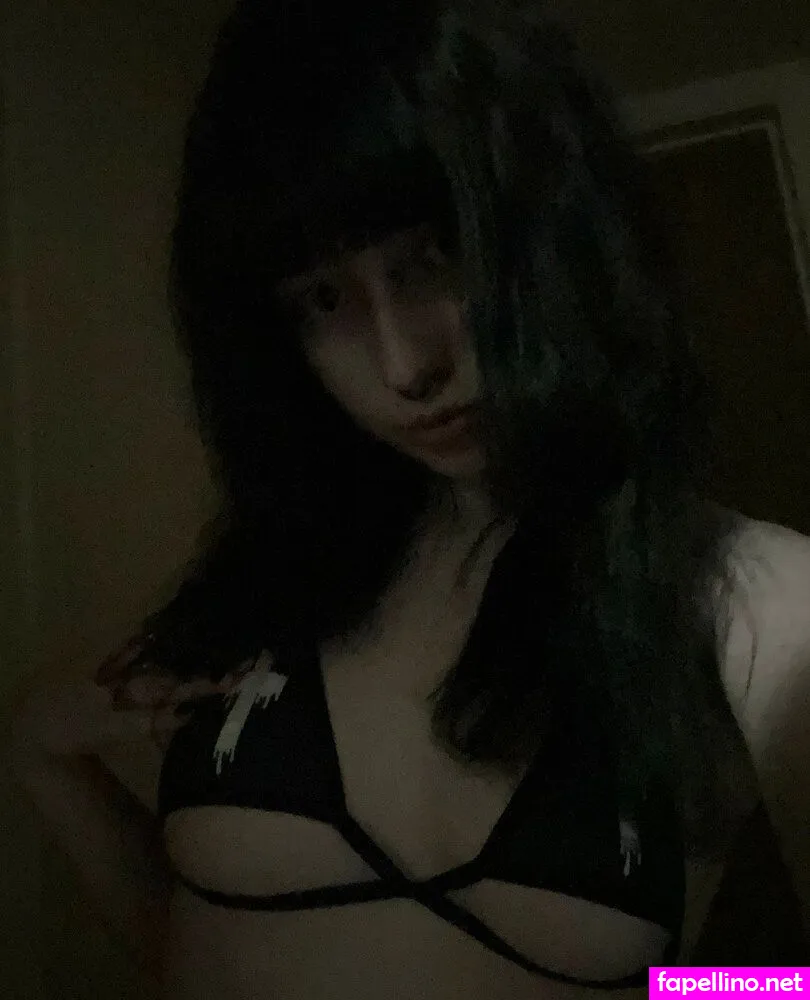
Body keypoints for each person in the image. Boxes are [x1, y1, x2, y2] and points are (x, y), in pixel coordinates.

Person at [9, 0, 810, 995]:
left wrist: (724, 987)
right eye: (325, 299)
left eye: (435, 256)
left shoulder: (759, 611)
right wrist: (42, 750)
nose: (404, 366)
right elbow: (212, 949)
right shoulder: (279, 583)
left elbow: (783, 982)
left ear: (558, 244)